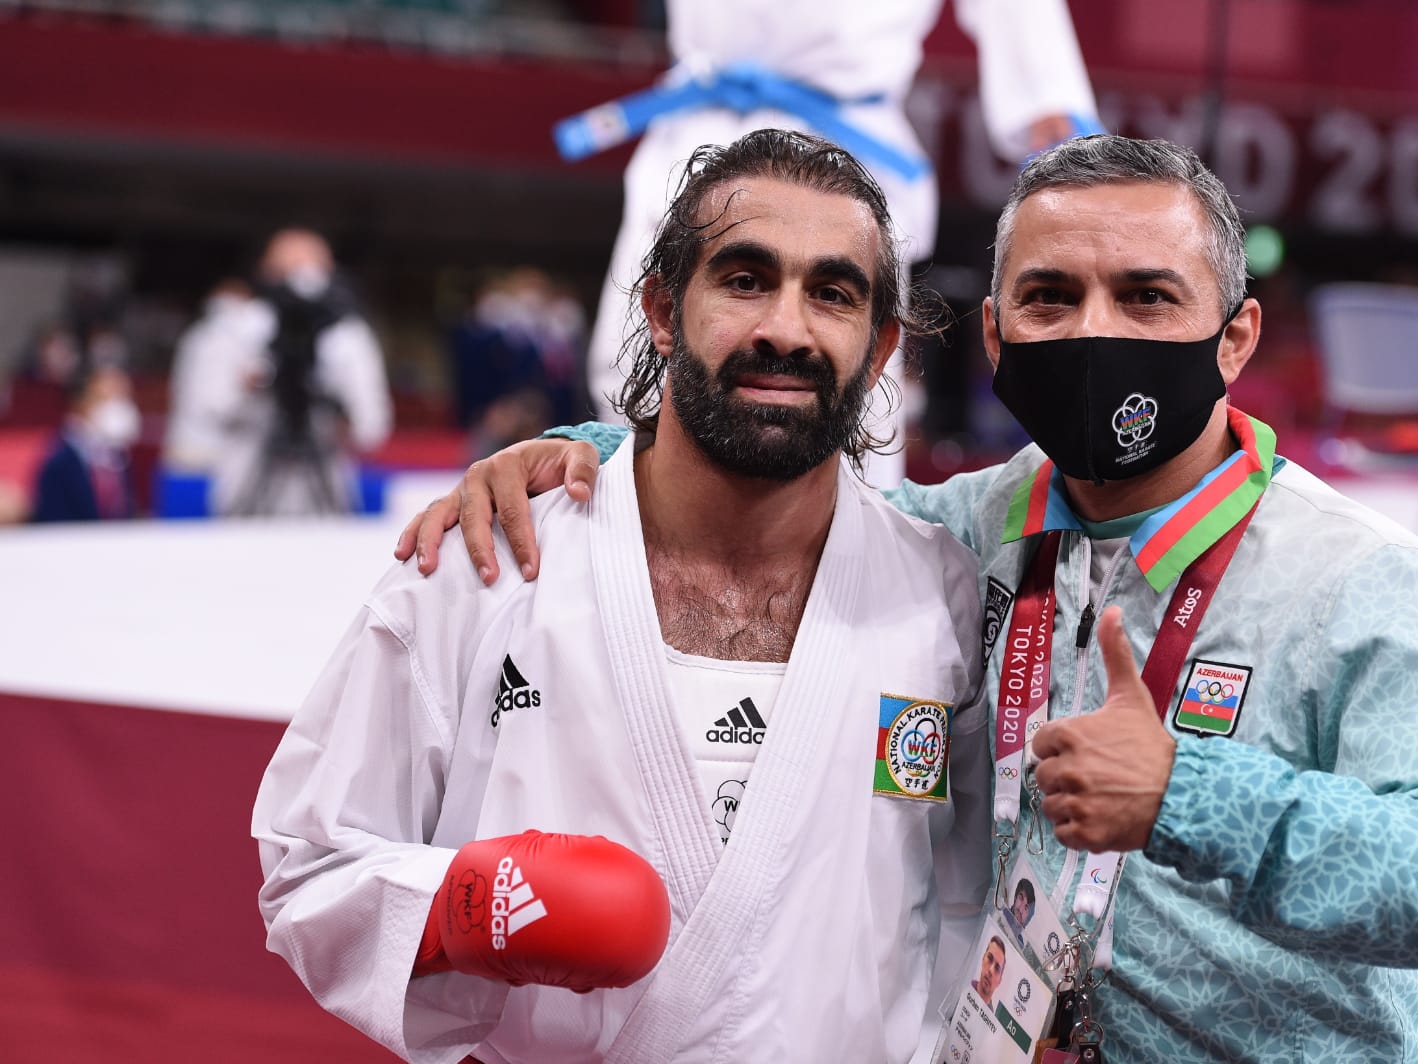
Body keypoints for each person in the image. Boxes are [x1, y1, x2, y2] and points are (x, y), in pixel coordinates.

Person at [399, 133, 1418, 1061]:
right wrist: (582, 449)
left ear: (1235, 334)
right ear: (996, 337)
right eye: (1052, 298)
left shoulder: (1354, 578)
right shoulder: (959, 531)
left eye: (1148, 296)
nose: (1095, 329)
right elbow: (767, 478)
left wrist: (1192, 794)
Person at [254, 129, 991, 1063]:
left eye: (832, 293)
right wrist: (466, 911)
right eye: (744, 278)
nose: (785, 329)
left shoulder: (945, 597)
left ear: (881, 346)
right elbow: (308, 859)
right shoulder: (489, 559)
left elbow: (984, 904)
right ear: (660, 309)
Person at [557, 0, 1102, 487]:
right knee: (633, 369)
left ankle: (845, 580)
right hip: (694, 130)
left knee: (845, 401)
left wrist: (1050, 119)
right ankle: (634, 539)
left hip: (843, 140)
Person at [164, 229, 392, 516]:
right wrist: (249, 389)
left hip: (325, 498)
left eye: (313, 268)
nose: (302, 281)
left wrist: (340, 414)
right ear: (266, 271)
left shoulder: (349, 336)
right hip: (246, 489)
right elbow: (203, 409)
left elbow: (372, 425)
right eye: (290, 269)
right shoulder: (234, 329)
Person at [31, 362, 140, 522]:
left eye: (123, 398)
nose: (119, 407)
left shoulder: (118, 458)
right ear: (81, 402)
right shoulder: (57, 461)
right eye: (109, 399)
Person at [971, 935, 1006, 1009]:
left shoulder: (991, 1019)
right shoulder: (963, 987)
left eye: (997, 968)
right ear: (983, 958)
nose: (991, 970)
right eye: (989, 958)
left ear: (999, 981)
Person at [1001, 877, 1034, 942]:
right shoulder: (1000, 912)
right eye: (1021, 898)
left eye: (1026, 908)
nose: (1021, 909)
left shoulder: (1020, 944)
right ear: (1015, 898)